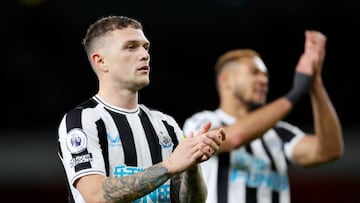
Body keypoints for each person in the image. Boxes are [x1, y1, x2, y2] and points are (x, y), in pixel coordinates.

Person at [57, 15, 225, 203]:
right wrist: (169, 165)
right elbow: (96, 195)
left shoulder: (166, 125)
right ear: (101, 61)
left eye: (145, 47)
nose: (145, 55)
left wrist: (192, 164)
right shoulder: (83, 120)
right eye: (131, 47)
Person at [182, 30, 344, 203]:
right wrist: (294, 94)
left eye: (265, 75)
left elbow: (329, 150)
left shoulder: (280, 132)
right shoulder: (202, 122)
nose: (264, 80)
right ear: (226, 80)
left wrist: (315, 82)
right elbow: (235, 137)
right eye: (254, 73)